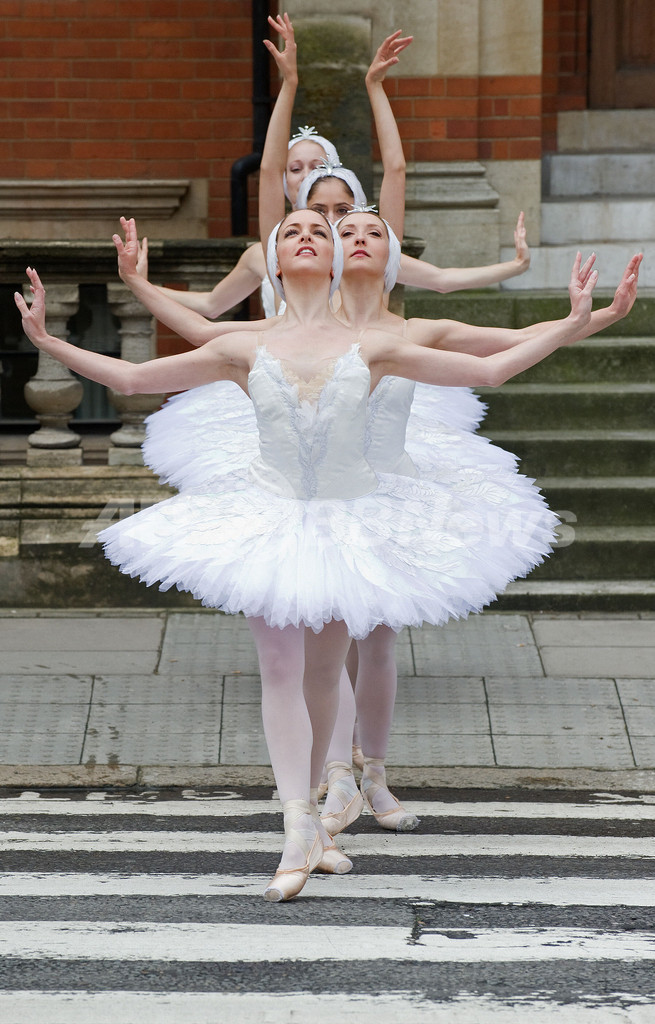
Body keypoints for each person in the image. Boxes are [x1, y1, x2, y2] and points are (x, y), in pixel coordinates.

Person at [15, 208, 625, 901]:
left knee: (324, 674)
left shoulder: (377, 344)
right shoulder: (243, 344)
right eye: (291, 231)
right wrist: (48, 340)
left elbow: (488, 369)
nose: (305, 236)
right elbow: (131, 379)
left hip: (350, 522)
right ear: (274, 261)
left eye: (318, 231)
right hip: (269, 519)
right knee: (280, 666)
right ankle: (297, 821)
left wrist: (576, 322)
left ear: (335, 257)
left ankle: (323, 809)